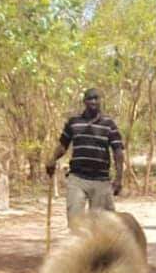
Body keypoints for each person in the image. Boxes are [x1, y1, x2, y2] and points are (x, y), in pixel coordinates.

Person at [46, 88, 123, 226]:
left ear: (100, 101)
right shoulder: (74, 122)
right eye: (90, 98)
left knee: (102, 226)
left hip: (101, 180)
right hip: (77, 178)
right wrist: (52, 159)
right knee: (75, 222)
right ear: (84, 101)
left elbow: (118, 151)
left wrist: (119, 178)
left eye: (96, 98)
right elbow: (63, 145)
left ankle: (99, 248)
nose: (93, 101)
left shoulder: (109, 124)